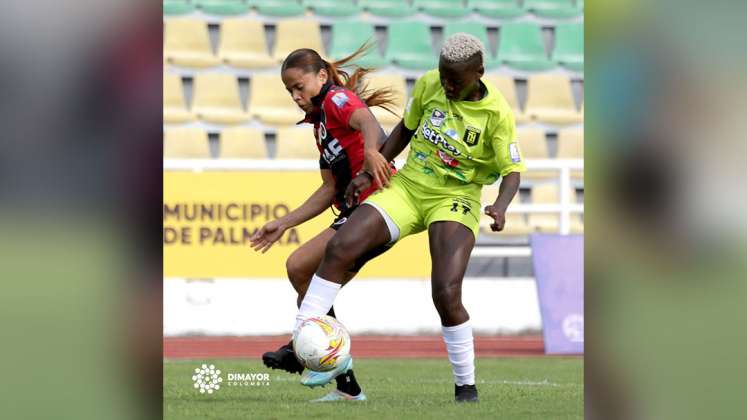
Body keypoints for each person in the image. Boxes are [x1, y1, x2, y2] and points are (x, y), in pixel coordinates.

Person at [287, 33, 526, 403]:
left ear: (478, 73)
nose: (446, 85)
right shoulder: (432, 84)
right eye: (443, 76)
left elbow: (512, 171)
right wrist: (368, 172)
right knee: (340, 246)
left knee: (446, 292)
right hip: (409, 187)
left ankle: (466, 388)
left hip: (455, 198)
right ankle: (303, 338)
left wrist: (502, 205)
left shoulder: (497, 114)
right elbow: (405, 130)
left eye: (455, 80)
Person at [249, 45, 397, 402]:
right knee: (301, 270)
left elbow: (365, 120)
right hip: (356, 211)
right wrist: (284, 222)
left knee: (302, 268)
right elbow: (329, 187)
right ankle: (344, 382)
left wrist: (374, 151)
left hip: (378, 208)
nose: (296, 96)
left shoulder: (336, 100)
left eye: (300, 87)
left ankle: (304, 348)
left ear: (321, 77)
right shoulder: (320, 126)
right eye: (290, 91)